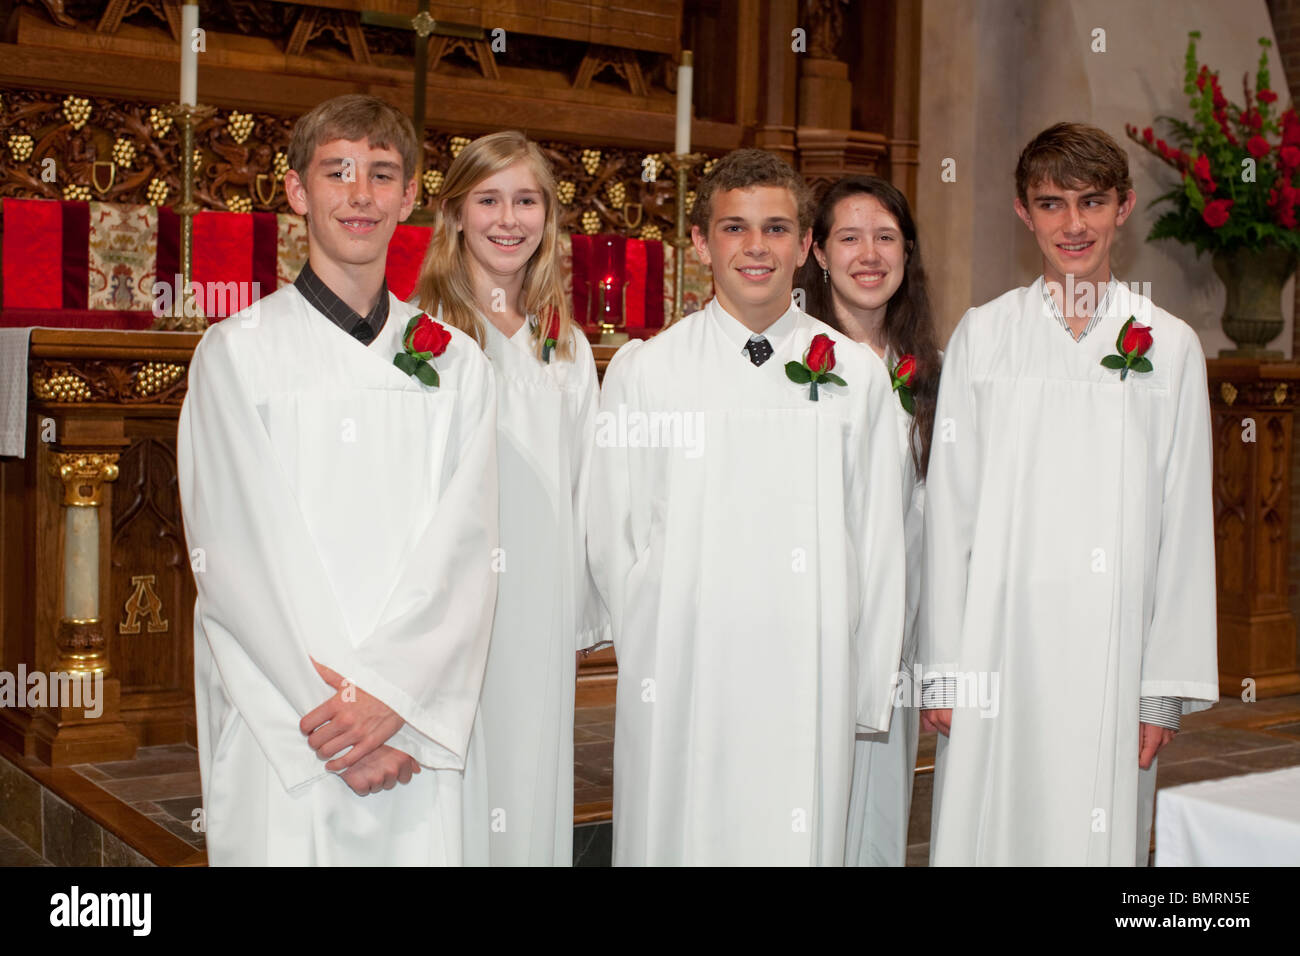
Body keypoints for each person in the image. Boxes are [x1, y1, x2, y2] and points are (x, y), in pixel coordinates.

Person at [177, 94, 499, 865]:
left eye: (383, 174)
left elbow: (469, 555)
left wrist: (396, 701)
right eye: (339, 172)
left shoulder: (456, 364)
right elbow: (235, 557)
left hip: (413, 729)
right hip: (290, 725)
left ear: (411, 194)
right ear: (297, 192)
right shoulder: (238, 354)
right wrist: (337, 718)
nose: (361, 194)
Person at [588, 148, 905, 865]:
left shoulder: (854, 374)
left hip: (808, 670)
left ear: (803, 248)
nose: (755, 247)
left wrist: (861, 685)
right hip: (683, 665)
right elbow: (615, 529)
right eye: (734, 228)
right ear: (700, 242)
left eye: (775, 228)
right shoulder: (648, 371)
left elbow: (879, 540)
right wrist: (651, 638)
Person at [919, 122, 1218, 866]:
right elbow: (948, 509)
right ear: (1023, 213)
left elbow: (1183, 522)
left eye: (1091, 202)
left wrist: (1161, 687)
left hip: (1113, 652)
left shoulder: (1169, 344)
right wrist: (946, 664)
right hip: (999, 639)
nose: (1073, 224)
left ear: (1123, 207)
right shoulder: (984, 337)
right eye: (1052, 204)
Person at [414, 131, 606, 866]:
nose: (508, 218)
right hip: (451, 600)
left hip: (538, 600)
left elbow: (587, 480)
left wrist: (583, 607)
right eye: (488, 199)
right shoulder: (419, 336)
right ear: (455, 213)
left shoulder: (565, 346)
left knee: (529, 769)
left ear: (548, 217)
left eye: (526, 200)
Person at [798, 175, 940, 866]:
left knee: (880, 814)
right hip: (813, 628)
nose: (869, 254)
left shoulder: (931, 374)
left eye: (886, 237)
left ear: (907, 254)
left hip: (899, 631)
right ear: (818, 253)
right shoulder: (792, 363)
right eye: (849, 237)